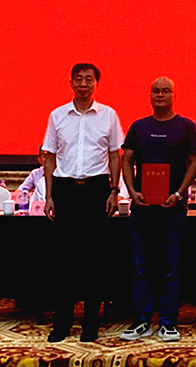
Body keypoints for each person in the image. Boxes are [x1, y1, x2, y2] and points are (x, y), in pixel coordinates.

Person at [42, 63, 124, 343]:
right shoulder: (57, 116)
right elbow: (50, 157)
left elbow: (114, 156)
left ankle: (90, 323)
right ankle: (62, 323)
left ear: (96, 84)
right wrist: (49, 195)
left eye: (89, 79)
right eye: (79, 79)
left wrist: (114, 190)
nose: (84, 84)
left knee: (94, 260)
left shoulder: (108, 115)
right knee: (64, 260)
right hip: (65, 189)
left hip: (96, 190)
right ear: (71, 82)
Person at [119, 78, 196, 342]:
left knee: (171, 268)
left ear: (174, 95)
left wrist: (179, 193)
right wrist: (132, 191)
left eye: (166, 91)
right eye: (155, 91)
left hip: (173, 209)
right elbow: (127, 160)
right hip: (142, 208)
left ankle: (168, 322)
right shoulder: (138, 127)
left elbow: (195, 161)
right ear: (150, 95)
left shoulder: (186, 127)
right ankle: (141, 321)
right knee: (140, 269)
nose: (160, 95)